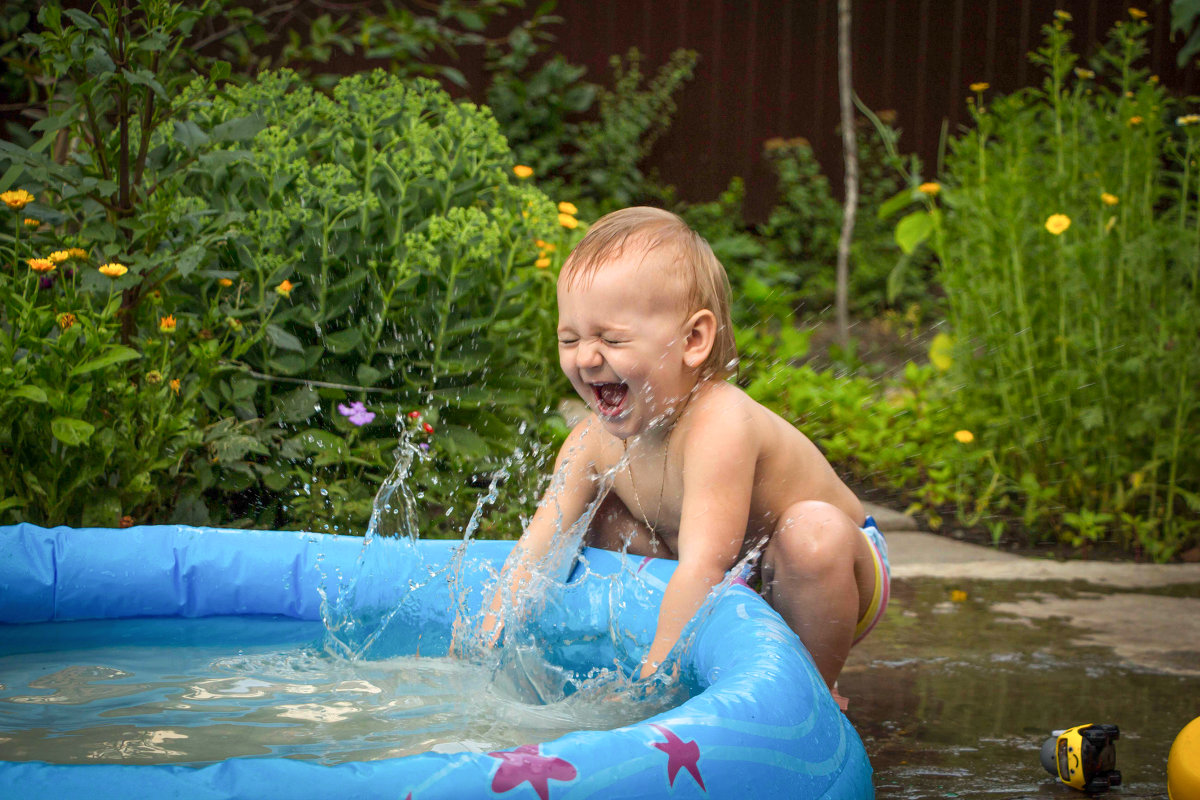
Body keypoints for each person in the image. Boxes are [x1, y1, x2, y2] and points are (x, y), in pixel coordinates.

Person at [481, 206, 889, 696]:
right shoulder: (591, 440)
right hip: (726, 577)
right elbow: (538, 549)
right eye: (570, 339)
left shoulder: (720, 422)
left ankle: (811, 697)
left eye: (611, 338)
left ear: (693, 340)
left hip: (823, 574)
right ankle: (645, 652)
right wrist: (485, 645)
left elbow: (704, 567)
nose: (587, 358)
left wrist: (652, 687)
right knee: (597, 518)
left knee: (812, 534)